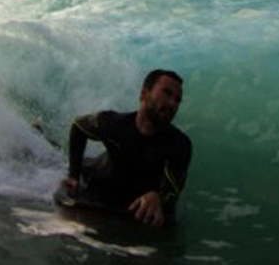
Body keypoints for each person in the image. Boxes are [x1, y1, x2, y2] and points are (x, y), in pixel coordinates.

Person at [61, 69, 192, 227]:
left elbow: (173, 190)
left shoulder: (179, 145)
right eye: (167, 94)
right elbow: (78, 127)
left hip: (130, 198)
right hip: (94, 179)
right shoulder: (115, 125)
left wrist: (158, 197)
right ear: (144, 94)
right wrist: (74, 174)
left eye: (177, 100)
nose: (173, 103)